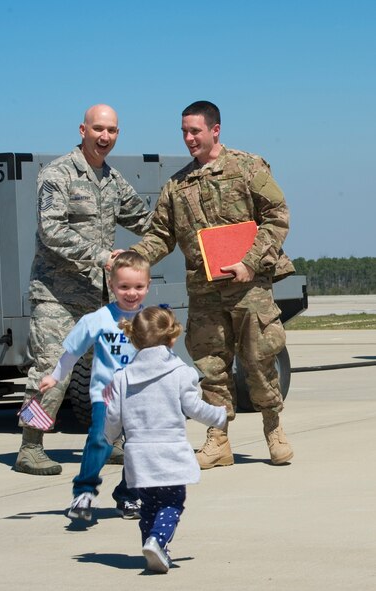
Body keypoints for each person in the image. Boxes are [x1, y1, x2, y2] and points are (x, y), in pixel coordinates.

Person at [130, 100, 295, 469]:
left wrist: (250, 263)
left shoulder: (248, 166)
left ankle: (274, 430)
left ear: (215, 130)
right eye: (184, 132)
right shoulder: (177, 185)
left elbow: (277, 217)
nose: (189, 138)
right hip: (204, 291)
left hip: (248, 288)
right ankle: (218, 441)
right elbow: (160, 235)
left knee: (259, 360)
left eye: (195, 131)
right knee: (210, 367)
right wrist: (134, 259)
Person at [14, 104, 153, 476]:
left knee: (113, 370)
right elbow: (51, 230)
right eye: (98, 129)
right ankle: (30, 445)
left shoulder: (111, 179)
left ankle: (110, 441)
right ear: (82, 130)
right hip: (58, 294)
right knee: (50, 370)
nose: (105, 137)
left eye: (112, 131)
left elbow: (142, 218)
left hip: (99, 297)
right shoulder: (57, 174)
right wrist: (103, 257)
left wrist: (180, 232)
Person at [104, 306, 227, 573]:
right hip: (169, 454)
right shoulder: (181, 373)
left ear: (134, 338)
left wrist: (108, 437)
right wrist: (219, 416)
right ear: (172, 338)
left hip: (139, 457)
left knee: (148, 505)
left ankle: (155, 550)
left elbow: (113, 416)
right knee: (172, 502)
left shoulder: (123, 377)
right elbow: (194, 409)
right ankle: (157, 542)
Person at [39, 251, 150, 520]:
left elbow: (165, 358)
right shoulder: (98, 318)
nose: (131, 293)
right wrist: (54, 376)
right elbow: (72, 352)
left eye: (138, 287)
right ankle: (84, 492)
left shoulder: (150, 320)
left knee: (139, 448)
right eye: (124, 286)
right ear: (112, 286)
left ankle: (129, 496)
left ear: (148, 286)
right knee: (99, 440)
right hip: (106, 394)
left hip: (141, 397)